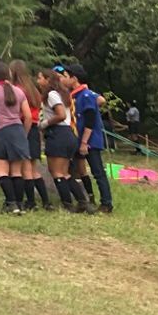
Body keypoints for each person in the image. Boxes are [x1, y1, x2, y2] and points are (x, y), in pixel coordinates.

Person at [60, 64, 112, 213]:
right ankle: (85, 199)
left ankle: (106, 203)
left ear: (74, 78)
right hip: (77, 138)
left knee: (97, 172)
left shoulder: (86, 95)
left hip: (90, 141)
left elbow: (90, 121)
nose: (63, 79)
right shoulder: (74, 96)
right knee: (75, 170)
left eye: (65, 76)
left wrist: (84, 142)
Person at [0, 60, 33, 214]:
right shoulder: (19, 91)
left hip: (1, 132)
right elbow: (28, 116)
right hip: (17, 131)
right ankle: (19, 202)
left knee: (2, 171)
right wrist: (24, 134)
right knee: (16, 171)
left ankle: (11, 203)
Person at [38, 68, 87, 212]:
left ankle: (67, 204)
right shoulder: (62, 93)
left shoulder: (52, 94)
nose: (38, 81)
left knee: (57, 172)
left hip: (58, 133)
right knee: (65, 173)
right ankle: (82, 201)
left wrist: (44, 124)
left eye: (40, 77)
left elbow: (60, 115)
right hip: (67, 134)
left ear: (48, 80)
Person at [9, 59, 51, 210]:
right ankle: (46, 201)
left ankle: (31, 202)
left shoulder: (17, 89)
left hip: (23, 126)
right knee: (34, 168)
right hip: (34, 127)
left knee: (25, 168)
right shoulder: (33, 89)